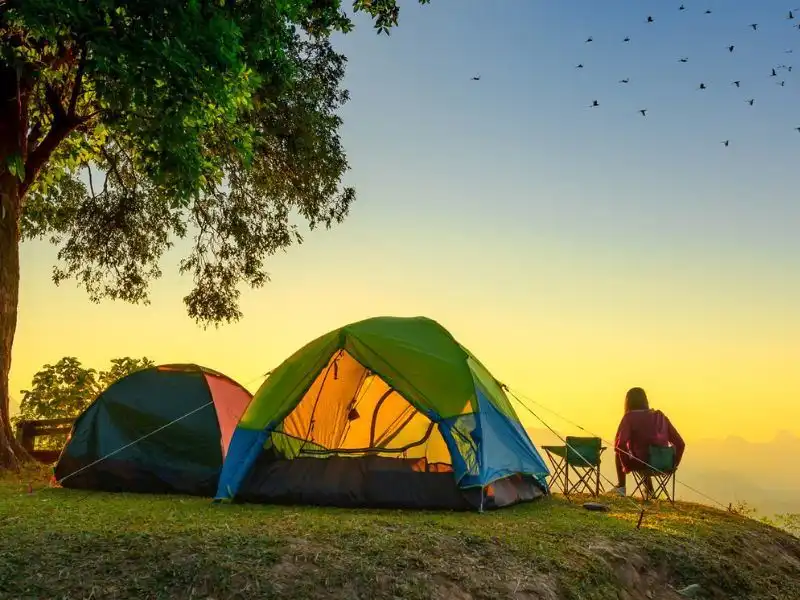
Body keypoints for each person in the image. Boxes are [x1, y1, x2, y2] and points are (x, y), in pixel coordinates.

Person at [610, 387, 685, 496]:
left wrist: (626, 465)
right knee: (645, 455)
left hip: (643, 463)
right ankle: (649, 490)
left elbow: (620, 445)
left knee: (620, 453)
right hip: (664, 463)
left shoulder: (629, 417)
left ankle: (621, 487)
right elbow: (680, 443)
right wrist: (673, 464)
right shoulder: (660, 416)